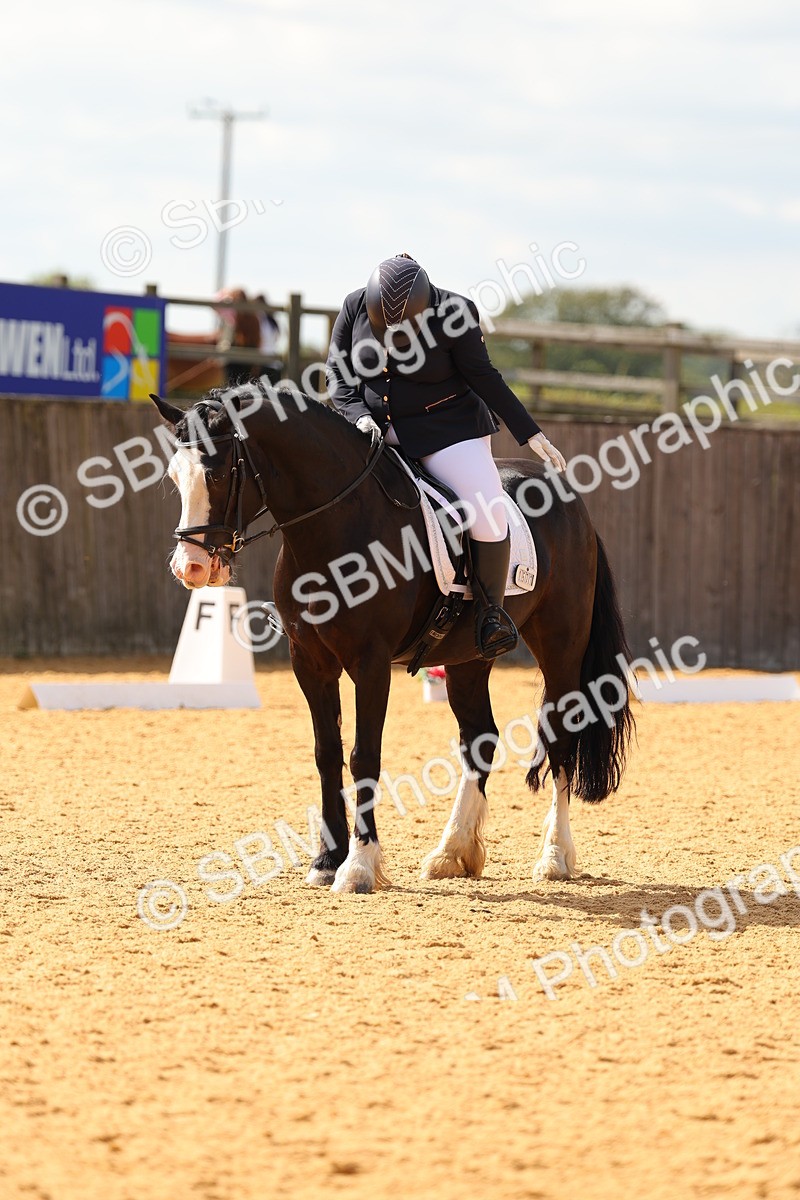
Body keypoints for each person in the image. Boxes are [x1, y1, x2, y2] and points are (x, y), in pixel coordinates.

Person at [325, 253, 567, 659]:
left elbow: (483, 376)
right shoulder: (354, 305)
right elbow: (337, 373)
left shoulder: (456, 312)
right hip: (371, 428)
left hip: (446, 432)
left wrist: (529, 432)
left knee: (486, 510)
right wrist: (359, 416)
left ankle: (491, 614)